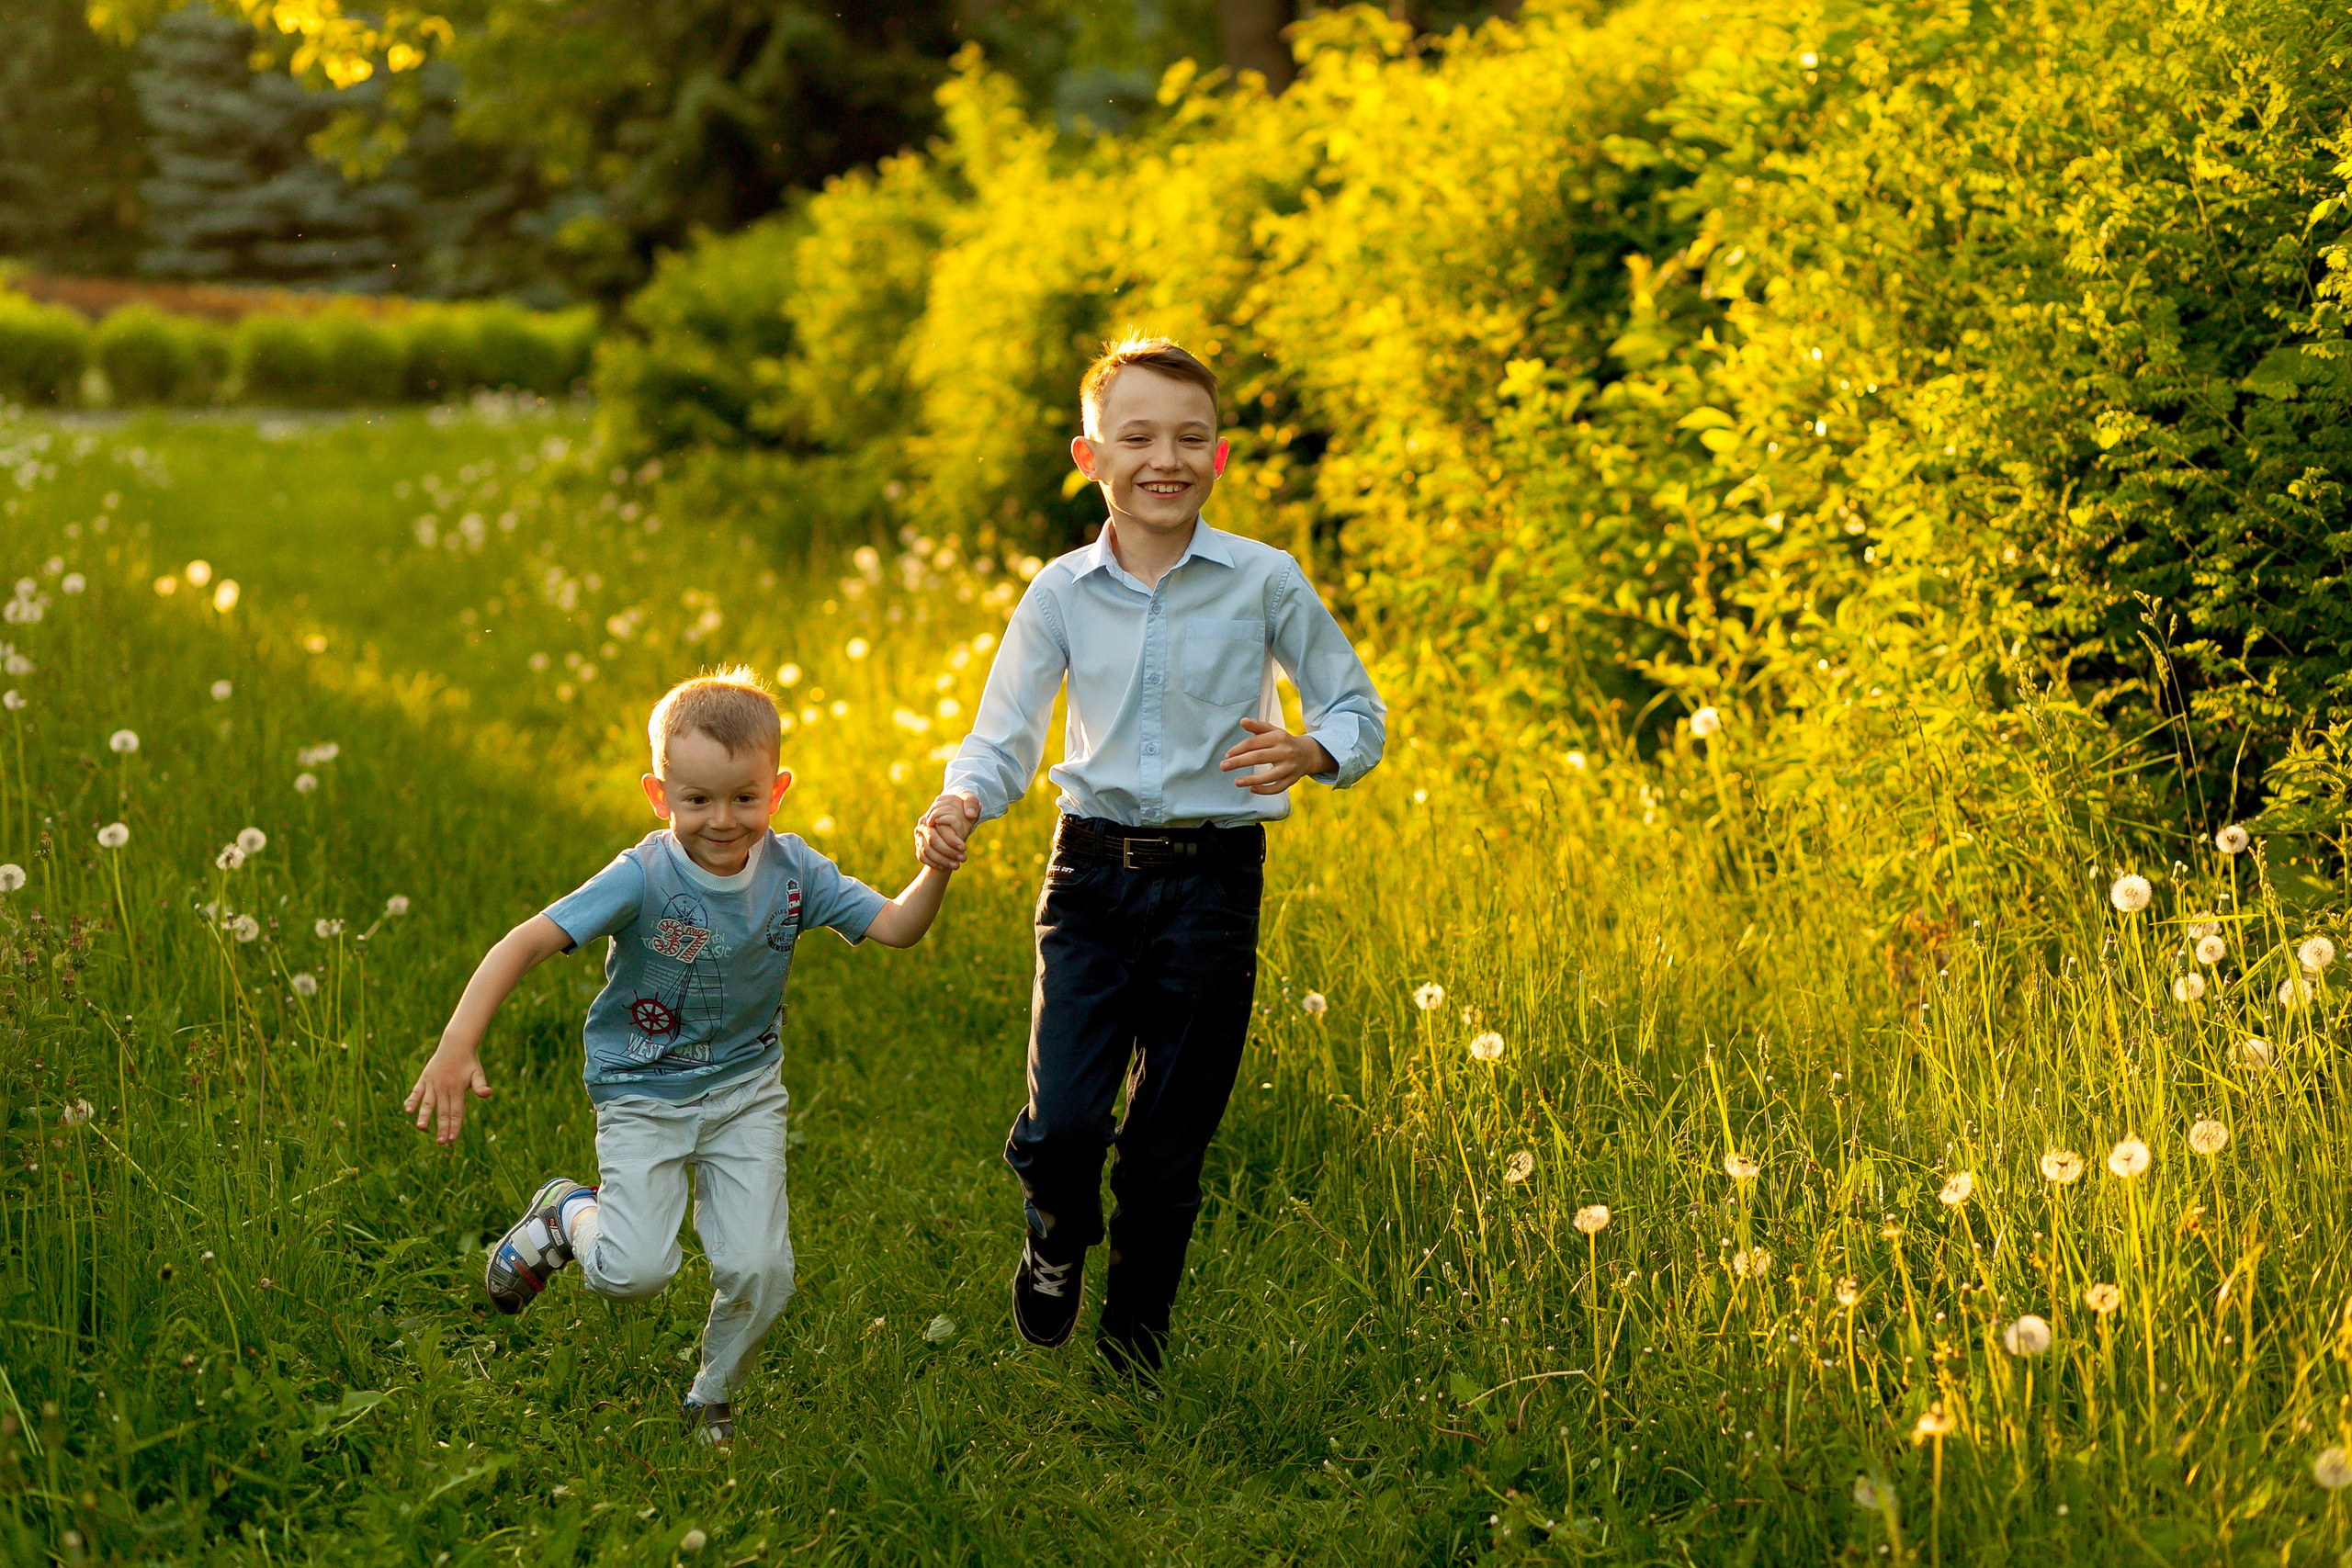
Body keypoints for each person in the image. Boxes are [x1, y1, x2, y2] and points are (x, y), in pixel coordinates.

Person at [917, 335, 1385, 1375]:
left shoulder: (1265, 580)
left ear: (1218, 458)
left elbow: (1357, 707)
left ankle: (1135, 1350)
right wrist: (961, 797)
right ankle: (1053, 1230)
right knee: (1070, 1121)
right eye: (1136, 437)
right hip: (1088, 877)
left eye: (1189, 438)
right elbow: (1003, 734)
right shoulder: (1060, 593)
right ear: (1090, 457)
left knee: (1170, 1139)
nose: (1163, 458)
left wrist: (1313, 748)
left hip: (1214, 884)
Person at [403, 668, 953, 1444]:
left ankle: (713, 1393)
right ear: (658, 796)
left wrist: (938, 866)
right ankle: (569, 1213)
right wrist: (459, 1042)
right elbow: (526, 941)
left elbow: (897, 926)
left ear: (778, 788)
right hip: (643, 1092)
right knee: (634, 1272)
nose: (722, 820)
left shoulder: (796, 873)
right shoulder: (643, 875)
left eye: (744, 797)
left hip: (745, 1093)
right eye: (696, 800)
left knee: (764, 1271)